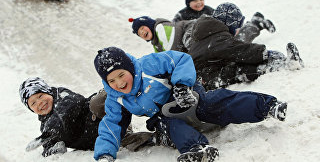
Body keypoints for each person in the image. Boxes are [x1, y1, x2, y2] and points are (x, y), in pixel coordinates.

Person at [93, 46, 288, 162]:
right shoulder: (116, 98)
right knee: (169, 126)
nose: (119, 83)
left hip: (183, 96)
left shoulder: (148, 65)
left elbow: (180, 59)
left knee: (214, 103)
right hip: (163, 115)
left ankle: (267, 106)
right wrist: (104, 154)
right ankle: (197, 150)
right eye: (111, 81)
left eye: (121, 75)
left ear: (129, 68)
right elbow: (112, 124)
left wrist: (182, 85)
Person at [129, 14, 304, 90]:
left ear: (149, 24)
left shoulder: (161, 28)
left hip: (197, 37)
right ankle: (255, 23)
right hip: (199, 44)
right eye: (139, 33)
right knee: (235, 45)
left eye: (142, 28)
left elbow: (174, 51)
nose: (142, 33)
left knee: (231, 48)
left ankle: (256, 26)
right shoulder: (156, 43)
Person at [19, 77, 101, 157]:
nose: (39, 102)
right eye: (33, 103)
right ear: (32, 110)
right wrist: (52, 150)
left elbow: (72, 103)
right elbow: (48, 145)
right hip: (96, 140)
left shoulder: (62, 96)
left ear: (48, 91)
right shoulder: (46, 127)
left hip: (99, 117)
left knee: (99, 100)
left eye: (40, 96)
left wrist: (47, 134)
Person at [172, 0, 275, 36]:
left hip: (216, 37)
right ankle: (256, 22)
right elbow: (174, 29)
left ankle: (256, 24)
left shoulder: (209, 10)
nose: (199, 2)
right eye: (195, 0)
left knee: (239, 38)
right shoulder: (181, 15)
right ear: (188, 2)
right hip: (197, 41)